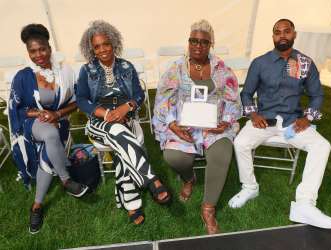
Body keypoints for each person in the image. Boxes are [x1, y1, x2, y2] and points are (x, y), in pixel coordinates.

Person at [228, 19, 331, 229]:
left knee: (322, 145)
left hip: (291, 122)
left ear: (294, 35)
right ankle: (250, 187)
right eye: (277, 32)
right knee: (240, 142)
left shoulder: (305, 62)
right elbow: (247, 93)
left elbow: (317, 95)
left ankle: (305, 204)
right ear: (273, 37)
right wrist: (252, 115)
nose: (282, 36)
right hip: (264, 120)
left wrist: (307, 118)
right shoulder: (260, 63)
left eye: (286, 31)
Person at [76, 20, 171, 225]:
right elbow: (82, 100)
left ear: (114, 43)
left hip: (125, 116)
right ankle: (151, 178)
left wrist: (126, 107)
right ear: (91, 49)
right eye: (97, 46)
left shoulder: (127, 67)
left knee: (121, 148)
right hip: (99, 120)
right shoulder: (87, 71)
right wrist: (105, 113)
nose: (102, 50)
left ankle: (131, 203)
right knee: (120, 133)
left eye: (106, 44)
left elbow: (138, 95)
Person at [153, 19, 241, 234]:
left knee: (221, 154)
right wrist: (172, 123)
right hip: (185, 124)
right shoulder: (176, 68)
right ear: (188, 42)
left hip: (214, 126)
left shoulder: (222, 69)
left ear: (211, 44)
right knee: (174, 157)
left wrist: (226, 122)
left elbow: (233, 100)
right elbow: (163, 99)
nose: (197, 46)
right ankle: (189, 177)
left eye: (203, 42)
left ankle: (208, 208)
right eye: (193, 40)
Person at [8, 24, 89, 234]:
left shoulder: (64, 71)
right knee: (50, 133)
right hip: (32, 123)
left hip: (58, 120)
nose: (38, 55)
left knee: (47, 150)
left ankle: (36, 206)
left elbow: (77, 101)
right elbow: (17, 109)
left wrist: (56, 114)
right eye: (33, 51)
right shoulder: (23, 76)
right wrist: (40, 114)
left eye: (42, 49)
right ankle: (66, 180)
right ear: (28, 53)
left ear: (49, 48)